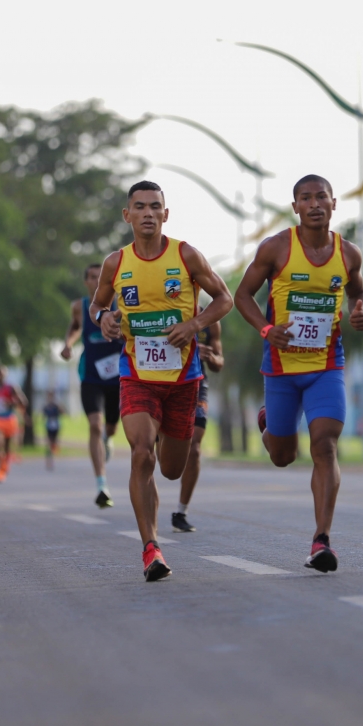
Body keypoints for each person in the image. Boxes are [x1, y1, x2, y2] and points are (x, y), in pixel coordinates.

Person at [92, 180, 233, 582]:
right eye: (140, 207)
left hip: (183, 381)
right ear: (127, 215)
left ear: (165, 214)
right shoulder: (116, 263)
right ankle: (150, 548)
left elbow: (224, 298)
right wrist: (103, 319)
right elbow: (97, 305)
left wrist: (194, 324)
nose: (148, 213)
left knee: (170, 468)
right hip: (137, 375)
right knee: (141, 454)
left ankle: (161, 461)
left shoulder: (185, 255)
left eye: (155, 206)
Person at [234, 174, 363, 573]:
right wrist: (266, 329)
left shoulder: (348, 254)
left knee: (325, 446)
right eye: (305, 198)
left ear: (333, 203)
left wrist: (360, 309)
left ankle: (321, 540)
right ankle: (270, 423)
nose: (314, 204)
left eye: (321, 197)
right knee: (283, 456)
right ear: (295, 207)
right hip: (281, 369)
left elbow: (358, 291)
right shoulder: (276, 248)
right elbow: (242, 295)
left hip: (326, 366)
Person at [60, 262, 122, 508]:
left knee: (110, 428)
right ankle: (101, 486)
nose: (97, 281)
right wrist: (68, 344)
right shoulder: (80, 307)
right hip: (91, 376)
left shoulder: (121, 304)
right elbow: (76, 326)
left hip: (119, 378)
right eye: (92, 277)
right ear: (86, 282)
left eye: (101, 276)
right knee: (95, 425)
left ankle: (108, 439)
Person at [171, 320, 223, 533]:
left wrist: (210, 357)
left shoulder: (210, 321)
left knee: (194, 448)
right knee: (162, 453)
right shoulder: (165, 308)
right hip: (165, 380)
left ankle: (181, 512)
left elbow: (219, 362)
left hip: (197, 382)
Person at [0, 366, 28, 483]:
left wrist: (11, 402)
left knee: (7, 448)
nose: (0, 376)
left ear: (5, 375)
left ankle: (4, 467)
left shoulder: (11, 388)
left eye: (2, 374)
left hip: (9, 420)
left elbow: (23, 401)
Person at [42, 392, 63, 471]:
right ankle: (50, 460)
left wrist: (59, 406)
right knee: (49, 443)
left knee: (54, 443)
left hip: (56, 425)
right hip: (49, 426)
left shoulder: (56, 406)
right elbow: (43, 415)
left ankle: (54, 453)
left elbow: (63, 412)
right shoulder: (46, 407)